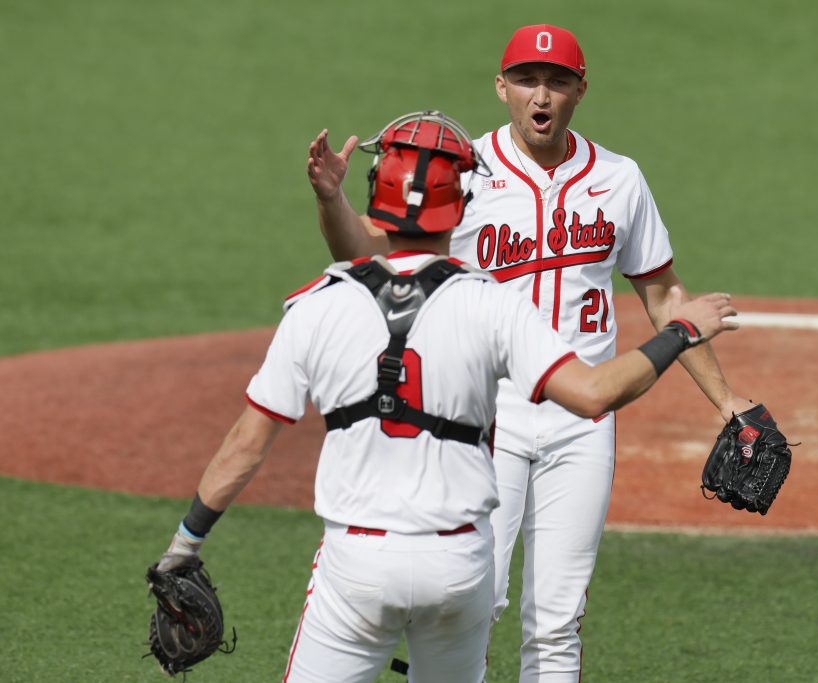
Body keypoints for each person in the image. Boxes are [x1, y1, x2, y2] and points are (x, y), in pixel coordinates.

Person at [154, 110, 738, 683]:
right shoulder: (494, 305)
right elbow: (591, 395)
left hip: (356, 564)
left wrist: (184, 546)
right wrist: (680, 333)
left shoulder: (318, 305)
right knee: (548, 627)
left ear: (377, 206)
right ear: (460, 208)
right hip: (457, 565)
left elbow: (245, 445)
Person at [307, 26, 754, 682]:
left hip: (584, 420)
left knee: (557, 618)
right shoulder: (463, 172)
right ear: (501, 87)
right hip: (488, 418)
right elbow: (369, 258)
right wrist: (330, 200)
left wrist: (725, 398)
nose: (540, 95)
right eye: (525, 79)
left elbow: (664, 295)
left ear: (580, 90)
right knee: (471, 603)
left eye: (557, 81)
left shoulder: (619, 179)